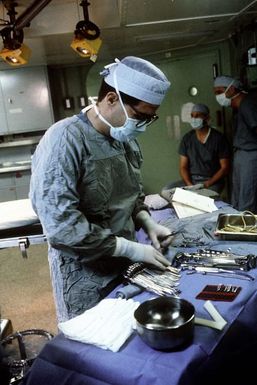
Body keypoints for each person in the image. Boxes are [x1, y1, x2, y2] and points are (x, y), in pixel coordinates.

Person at [29, 56, 173, 322]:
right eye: (139, 116)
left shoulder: (123, 139)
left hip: (124, 264)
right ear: (110, 99)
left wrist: (145, 220)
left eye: (149, 118)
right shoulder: (64, 139)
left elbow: (129, 192)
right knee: (91, 347)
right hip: (84, 272)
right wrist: (131, 249)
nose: (142, 125)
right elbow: (61, 227)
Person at [162, 103, 230, 194]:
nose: (194, 119)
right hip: (192, 181)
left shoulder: (218, 138)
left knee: (202, 199)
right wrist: (190, 185)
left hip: (212, 182)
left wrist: (207, 184)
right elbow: (183, 167)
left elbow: (225, 168)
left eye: (198, 116)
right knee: (166, 191)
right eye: (192, 116)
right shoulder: (187, 138)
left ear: (206, 118)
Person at [214, 75, 257, 212]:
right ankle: (235, 225)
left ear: (231, 89)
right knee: (238, 197)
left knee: (246, 197)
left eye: (219, 92)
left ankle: (245, 230)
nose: (217, 96)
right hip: (242, 154)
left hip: (250, 155)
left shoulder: (247, 104)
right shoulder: (239, 108)